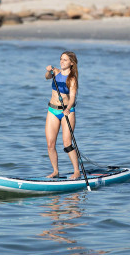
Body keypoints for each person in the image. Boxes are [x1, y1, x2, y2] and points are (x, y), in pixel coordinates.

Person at [45, 51, 80, 179]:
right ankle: (55, 171)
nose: (62, 62)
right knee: (50, 144)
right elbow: (47, 77)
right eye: (61, 59)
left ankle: (77, 171)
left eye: (65, 60)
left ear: (71, 63)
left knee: (67, 143)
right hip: (52, 111)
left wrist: (68, 108)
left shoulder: (72, 79)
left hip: (67, 112)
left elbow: (72, 98)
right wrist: (49, 71)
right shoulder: (56, 72)